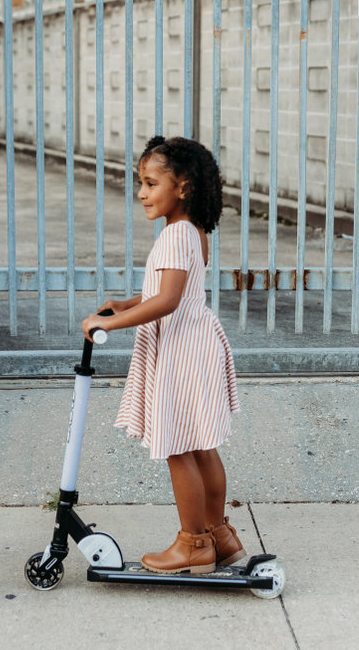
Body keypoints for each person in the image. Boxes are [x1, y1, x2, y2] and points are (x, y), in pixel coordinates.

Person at [82, 136, 243, 573]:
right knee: (202, 446)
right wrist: (128, 303)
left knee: (177, 447)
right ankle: (218, 535)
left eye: (151, 183)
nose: (142, 193)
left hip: (180, 348)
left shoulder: (175, 235)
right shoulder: (194, 233)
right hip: (198, 342)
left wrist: (108, 323)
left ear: (184, 186)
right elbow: (170, 291)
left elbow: (168, 300)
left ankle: (193, 544)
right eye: (141, 183)